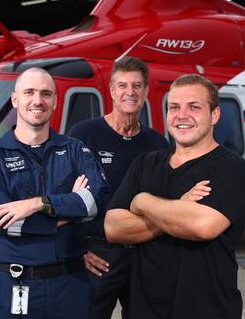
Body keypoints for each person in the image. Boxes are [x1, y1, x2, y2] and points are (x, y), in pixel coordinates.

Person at [105, 74, 245, 319]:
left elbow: (201, 226)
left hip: (208, 311)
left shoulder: (232, 168)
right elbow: (113, 228)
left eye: (194, 107)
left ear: (214, 115)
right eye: (173, 107)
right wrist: (179, 209)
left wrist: (142, 200)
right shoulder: (146, 163)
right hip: (143, 310)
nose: (181, 115)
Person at [0, 67, 110, 319]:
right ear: (15, 99)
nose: (38, 100)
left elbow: (99, 201)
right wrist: (70, 212)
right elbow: (3, 224)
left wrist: (38, 204)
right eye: (29, 92)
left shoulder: (75, 149)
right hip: (17, 285)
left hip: (71, 284)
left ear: (55, 101)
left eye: (46, 94)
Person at [67, 57, 168, 318]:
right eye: (122, 85)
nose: (130, 92)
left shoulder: (156, 142)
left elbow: (166, 200)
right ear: (111, 90)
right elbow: (63, 197)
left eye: (137, 86)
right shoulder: (83, 135)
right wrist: (77, 250)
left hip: (143, 254)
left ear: (145, 91)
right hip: (97, 255)